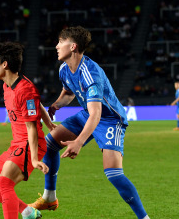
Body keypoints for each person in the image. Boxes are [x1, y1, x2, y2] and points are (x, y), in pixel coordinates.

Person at [29, 26, 150, 219]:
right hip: (88, 113)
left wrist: (78, 142)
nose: (56, 46)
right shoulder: (64, 69)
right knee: (50, 143)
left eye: (61, 42)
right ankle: (49, 197)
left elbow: (97, 114)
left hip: (110, 120)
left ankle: (144, 218)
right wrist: (56, 105)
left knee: (114, 174)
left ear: (73, 47)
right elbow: (69, 92)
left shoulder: (90, 74)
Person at [0, 42, 56, 219]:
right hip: (17, 144)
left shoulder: (25, 90)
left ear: (5, 64)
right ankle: (27, 211)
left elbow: (32, 127)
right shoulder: (7, 85)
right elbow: (38, 104)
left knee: (4, 183)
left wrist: (34, 159)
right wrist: (50, 123)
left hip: (29, 143)